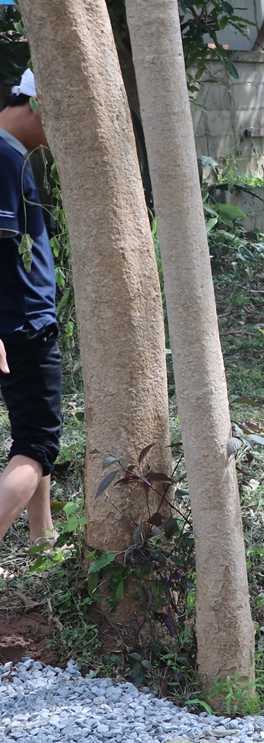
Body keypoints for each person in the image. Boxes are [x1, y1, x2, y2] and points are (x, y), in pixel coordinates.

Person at [0, 69, 59, 547]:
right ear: (39, 105)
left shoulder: (12, 154)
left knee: (31, 437)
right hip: (19, 325)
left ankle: (44, 539)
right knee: (36, 448)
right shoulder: (1, 157)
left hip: (21, 319)